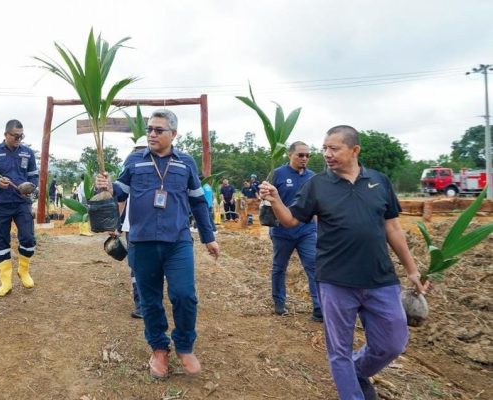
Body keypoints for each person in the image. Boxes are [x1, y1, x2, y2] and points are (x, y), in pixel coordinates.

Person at [259, 125, 429, 400]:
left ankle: (357, 370)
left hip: (380, 278)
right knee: (338, 350)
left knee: (393, 343)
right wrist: (276, 199)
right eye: (325, 148)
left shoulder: (379, 181)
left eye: (333, 148)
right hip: (335, 280)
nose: (326, 154)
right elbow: (291, 221)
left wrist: (412, 270)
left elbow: (393, 229)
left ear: (355, 150)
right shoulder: (316, 184)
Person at [95, 109, 220, 379]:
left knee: (184, 295)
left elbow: (198, 201)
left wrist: (208, 237)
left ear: (173, 134)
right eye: (150, 129)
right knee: (150, 301)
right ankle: (159, 349)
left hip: (178, 242)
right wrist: (106, 186)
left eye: (158, 130)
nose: (151, 133)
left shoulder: (185, 163)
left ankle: (185, 346)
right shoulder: (135, 161)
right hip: (142, 241)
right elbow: (121, 191)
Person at [0, 119, 39, 297]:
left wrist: (31, 187)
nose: (19, 139)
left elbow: (34, 176)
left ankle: (23, 270)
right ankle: (5, 282)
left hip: (22, 203)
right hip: (0, 204)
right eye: (15, 136)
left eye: (21, 136)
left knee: (28, 238)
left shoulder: (28, 153)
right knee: (1, 243)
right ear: (6, 134)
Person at [268, 141, 322, 322]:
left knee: (314, 265)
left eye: (308, 155)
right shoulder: (277, 174)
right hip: (282, 231)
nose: (304, 158)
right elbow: (266, 200)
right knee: (279, 267)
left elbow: (317, 205)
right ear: (289, 155)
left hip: (306, 230)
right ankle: (279, 303)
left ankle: (319, 307)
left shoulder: (313, 178)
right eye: (300, 155)